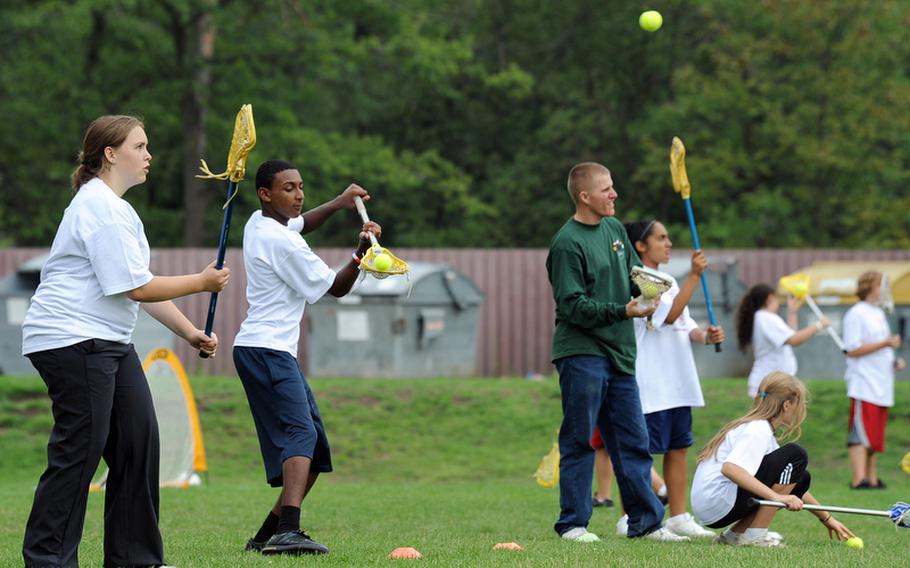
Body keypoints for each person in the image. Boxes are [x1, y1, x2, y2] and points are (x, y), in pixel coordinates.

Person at [20, 115, 229, 568]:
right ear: (110, 154)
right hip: (70, 339)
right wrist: (201, 281)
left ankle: (135, 559)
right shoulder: (98, 207)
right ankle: (47, 560)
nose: (149, 154)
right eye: (140, 145)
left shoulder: (120, 210)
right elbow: (135, 288)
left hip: (109, 341)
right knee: (80, 452)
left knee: (138, 442)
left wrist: (190, 332)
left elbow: (139, 284)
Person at [233, 159, 381, 556]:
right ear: (265, 194)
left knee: (314, 451)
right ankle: (289, 532)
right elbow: (335, 289)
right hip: (266, 350)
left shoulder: (260, 223)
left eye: (300, 187)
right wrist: (361, 253)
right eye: (288, 188)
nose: (298, 195)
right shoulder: (282, 242)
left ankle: (267, 536)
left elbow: (304, 222)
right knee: (301, 435)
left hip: (269, 350)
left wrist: (337, 203)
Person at [546, 161, 684, 542]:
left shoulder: (614, 230)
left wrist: (651, 290)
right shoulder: (566, 243)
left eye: (614, 186)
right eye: (607, 189)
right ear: (584, 196)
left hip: (620, 354)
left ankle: (646, 523)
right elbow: (573, 305)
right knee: (579, 438)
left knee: (632, 441)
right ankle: (573, 524)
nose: (615, 194)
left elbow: (633, 277)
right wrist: (624, 309)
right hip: (581, 352)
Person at [612, 219, 725, 539]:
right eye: (661, 238)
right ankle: (628, 517)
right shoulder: (642, 282)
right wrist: (695, 276)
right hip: (652, 383)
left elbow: (685, 327)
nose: (668, 243)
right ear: (641, 246)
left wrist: (707, 335)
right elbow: (669, 315)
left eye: (668, 237)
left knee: (678, 449)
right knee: (639, 453)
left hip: (678, 381)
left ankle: (677, 516)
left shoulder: (672, 283)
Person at [691, 372, 855, 547]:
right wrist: (776, 496)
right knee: (796, 454)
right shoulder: (758, 429)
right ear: (786, 405)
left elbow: (789, 485)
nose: (801, 409)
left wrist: (826, 518)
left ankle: (733, 536)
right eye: (799, 404)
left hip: (714, 506)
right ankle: (755, 536)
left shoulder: (762, 430)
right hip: (718, 502)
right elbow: (730, 469)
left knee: (801, 478)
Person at [843, 270, 906, 489]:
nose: (884, 291)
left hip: (882, 384)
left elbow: (881, 347)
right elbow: (852, 349)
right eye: (881, 285)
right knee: (860, 433)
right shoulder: (856, 313)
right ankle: (858, 479)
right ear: (869, 286)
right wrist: (886, 344)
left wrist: (894, 361)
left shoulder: (878, 313)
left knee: (874, 435)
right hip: (864, 382)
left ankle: (872, 477)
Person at [735, 284, 830, 397]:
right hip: (769, 385)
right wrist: (819, 325)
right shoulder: (767, 318)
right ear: (770, 298)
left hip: (772, 384)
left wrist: (792, 312)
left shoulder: (763, 317)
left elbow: (790, 335)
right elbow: (793, 340)